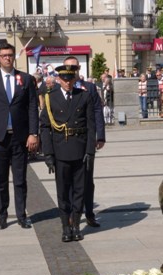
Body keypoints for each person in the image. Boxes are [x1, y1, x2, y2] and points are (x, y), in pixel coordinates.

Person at [0, 43, 39, 230]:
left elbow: (32, 108)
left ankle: (21, 215)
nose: (7, 58)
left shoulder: (26, 79)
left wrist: (33, 133)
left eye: (10, 55)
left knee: (20, 180)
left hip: (20, 137)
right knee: (1, 180)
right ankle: (2, 215)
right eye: (4, 55)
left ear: (14, 57)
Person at [40, 64, 96, 242]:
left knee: (79, 191)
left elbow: (90, 126)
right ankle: (65, 227)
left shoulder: (84, 96)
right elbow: (45, 127)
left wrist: (90, 151)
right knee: (63, 192)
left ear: (75, 79)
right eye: (64, 79)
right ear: (58, 79)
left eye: (71, 78)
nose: (68, 82)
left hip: (80, 150)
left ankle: (76, 226)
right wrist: (48, 154)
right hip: (60, 150)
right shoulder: (51, 98)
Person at [62, 56, 105, 228]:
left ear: (79, 68)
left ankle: (89, 213)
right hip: (67, 141)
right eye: (68, 67)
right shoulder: (59, 88)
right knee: (69, 181)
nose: (71, 70)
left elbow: (97, 112)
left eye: (74, 67)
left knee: (87, 179)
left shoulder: (89, 88)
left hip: (86, 141)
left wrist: (100, 136)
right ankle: (74, 214)